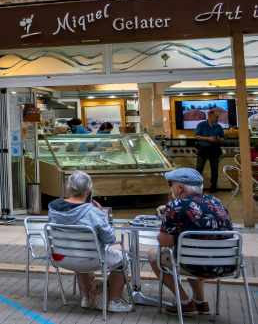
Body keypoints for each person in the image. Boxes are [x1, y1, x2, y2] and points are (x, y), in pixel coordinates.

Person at [147, 167, 233, 316]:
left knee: (154, 255)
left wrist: (165, 224)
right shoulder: (216, 201)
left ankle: (184, 302)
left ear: (180, 187)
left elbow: (165, 243)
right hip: (225, 263)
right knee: (192, 252)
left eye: (171, 184)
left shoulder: (174, 206)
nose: (171, 188)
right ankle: (200, 301)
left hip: (194, 264)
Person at [48, 170, 131, 313]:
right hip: (89, 259)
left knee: (83, 253)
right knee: (122, 259)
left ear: (68, 188)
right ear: (89, 191)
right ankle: (114, 302)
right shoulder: (93, 212)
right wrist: (102, 216)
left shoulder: (53, 207)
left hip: (60, 258)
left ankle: (86, 298)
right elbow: (110, 239)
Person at [193, 108, 226, 192]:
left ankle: (213, 186)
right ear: (210, 116)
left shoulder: (219, 127)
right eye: (216, 117)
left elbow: (223, 138)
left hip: (214, 149)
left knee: (214, 169)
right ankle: (198, 187)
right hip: (203, 149)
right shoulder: (201, 125)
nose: (218, 119)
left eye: (218, 117)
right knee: (199, 168)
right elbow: (196, 136)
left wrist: (219, 140)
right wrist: (208, 139)